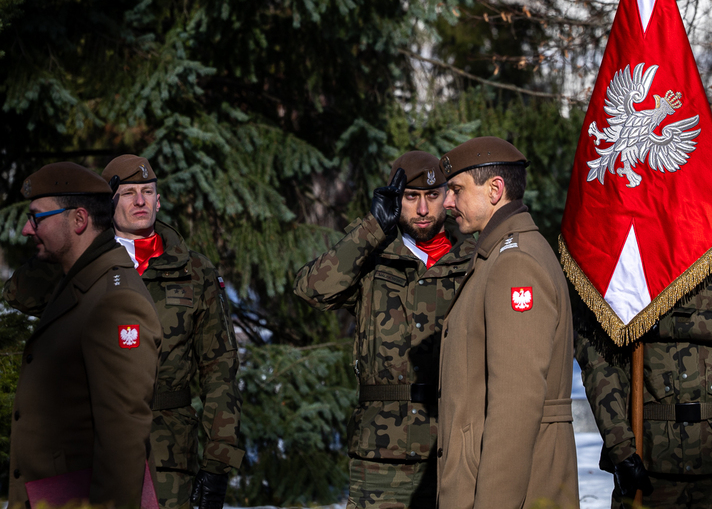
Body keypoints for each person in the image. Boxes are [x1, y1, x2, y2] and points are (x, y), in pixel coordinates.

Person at [4, 155, 244, 509]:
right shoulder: (82, 265)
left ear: (159, 201)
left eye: (148, 192)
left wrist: (218, 463)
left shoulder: (195, 271)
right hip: (89, 449)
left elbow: (220, 369)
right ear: (108, 202)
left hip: (167, 455)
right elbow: (18, 294)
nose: (140, 201)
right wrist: (63, 249)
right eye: (128, 193)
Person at [294, 150, 475, 509]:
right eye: (411, 197)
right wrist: (373, 227)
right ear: (395, 200)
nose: (422, 209)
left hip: (453, 450)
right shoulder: (371, 257)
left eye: (432, 196)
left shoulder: (472, 259)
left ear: (447, 197)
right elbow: (311, 289)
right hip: (380, 458)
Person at [574, 242, 712, 508]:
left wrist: (675, 324)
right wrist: (621, 448)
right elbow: (599, 362)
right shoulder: (627, 256)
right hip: (650, 457)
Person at [5, 162, 162, 506]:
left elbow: (123, 435)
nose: (27, 230)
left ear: (78, 220)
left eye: (37, 218)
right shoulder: (79, 283)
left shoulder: (115, 300)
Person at [436, 136, 579, 509]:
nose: (447, 202)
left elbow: (516, 404)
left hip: (512, 491)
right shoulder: (497, 254)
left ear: (495, 189)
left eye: (456, 190)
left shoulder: (515, 262)